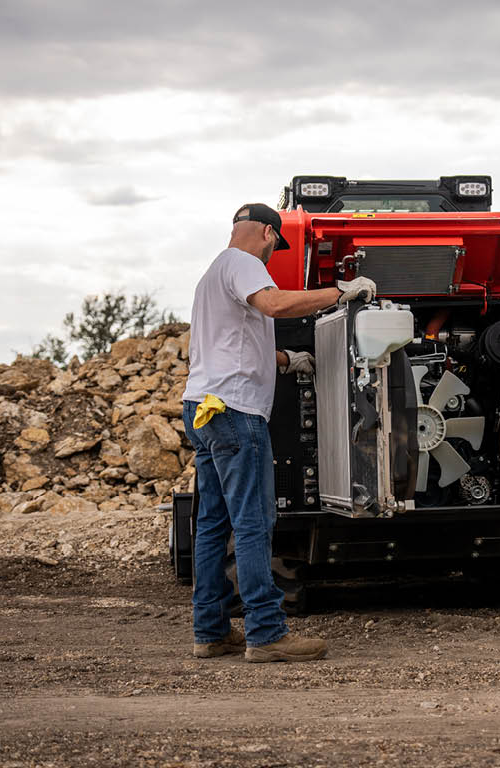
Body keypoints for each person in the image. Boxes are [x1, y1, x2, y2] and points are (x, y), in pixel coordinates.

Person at [182, 202, 375, 663]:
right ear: (268, 234)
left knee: (212, 525)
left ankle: (210, 631)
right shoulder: (244, 263)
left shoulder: (212, 275)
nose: (271, 258)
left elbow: (231, 347)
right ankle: (266, 633)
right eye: (275, 247)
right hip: (235, 412)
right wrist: (338, 293)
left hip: (204, 408)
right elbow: (273, 303)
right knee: (253, 523)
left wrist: (289, 359)